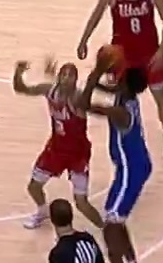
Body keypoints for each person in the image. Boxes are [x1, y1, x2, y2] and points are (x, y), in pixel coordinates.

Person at [72, 0, 163, 170]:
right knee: (122, 100)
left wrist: (162, 51)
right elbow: (95, 17)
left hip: (149, 54)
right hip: (123, 57)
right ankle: (124, 145)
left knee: (161, 99)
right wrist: (83, 40)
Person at [79, 65, 152, 263]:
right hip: (136, 165)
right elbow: (105, 89)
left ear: (125, 84)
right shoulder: (125, 95)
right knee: (117, 222)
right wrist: (93, 81)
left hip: (130, 172)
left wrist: (96, 71)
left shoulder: (119, 111)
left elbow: (84, 105)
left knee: (110, 230)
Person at [14, 59, 102, 230]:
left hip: (78, 154)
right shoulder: (50, 90)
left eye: (71, 76)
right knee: (33, 187)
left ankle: (105, 229)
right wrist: (18, 73)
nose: (67, 78)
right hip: (56, 149)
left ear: (76, 80)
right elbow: (21, 89)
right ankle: (42, 211)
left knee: (81, 203)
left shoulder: (78, 98)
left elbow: (76, 100)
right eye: (64, 75)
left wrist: (54, 77)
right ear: (60, 77)